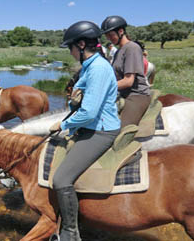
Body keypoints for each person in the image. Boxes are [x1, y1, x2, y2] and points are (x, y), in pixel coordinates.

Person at [49, 21, 121, 241]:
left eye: (70, 47)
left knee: (61, 180)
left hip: (100, 131)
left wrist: (63, 125)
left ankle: (70, 233)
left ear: (81, 45)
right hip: (88, 126)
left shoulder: (98, 68)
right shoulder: (89, 66)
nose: (70, 52)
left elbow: (89, 113)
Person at [101, 15, 151, 128]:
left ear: (121, 31)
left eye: (111, 35)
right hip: (123, 94)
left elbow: (128, 81)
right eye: (107, 36)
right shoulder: (119, 51)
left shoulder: (132, 48)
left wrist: (102, 86)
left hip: (136, 95)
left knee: (118, 130)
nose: (109, 38)